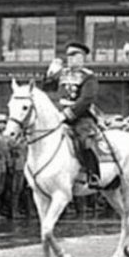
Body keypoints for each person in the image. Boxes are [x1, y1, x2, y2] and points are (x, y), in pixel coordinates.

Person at [44, 42, 103, 188]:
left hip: (81, 116)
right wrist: (50, 74)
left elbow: (86, 99)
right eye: (68, 56)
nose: (70, 59)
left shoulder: (88, 76)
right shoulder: (62, 73)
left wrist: (68, 114)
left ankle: (92, 174)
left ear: (82, 58)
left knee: (84, 141)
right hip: (59, 115)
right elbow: (48, 89)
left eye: (74, 56)